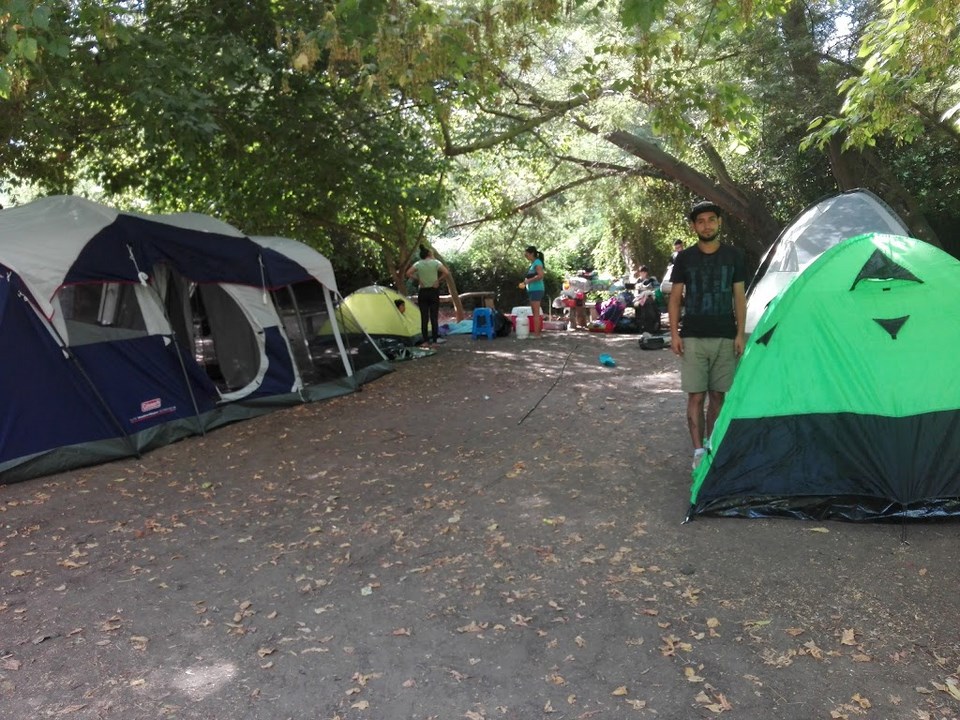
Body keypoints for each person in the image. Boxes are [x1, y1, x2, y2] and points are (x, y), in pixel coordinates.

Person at [668, 201, 747, 471]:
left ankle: (712, 446)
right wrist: (674, 333)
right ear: (693, 226)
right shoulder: (685, 258)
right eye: (700, 221)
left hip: (725, 335)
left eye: (711, 220)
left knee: (718, 397)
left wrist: (740, 333)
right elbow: (676, 298)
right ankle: (698, 451)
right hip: (692, 336)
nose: (706, 225)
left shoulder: (734, 256)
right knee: (696, 397)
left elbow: (739, 297)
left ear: (719, 222)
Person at [406, 246, 449, 348]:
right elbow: (446, 272)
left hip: (423, 292)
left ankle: (425, 341)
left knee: (424, 317)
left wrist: (418, 279)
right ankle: (434, 341)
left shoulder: (418, 264)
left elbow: (408, 273)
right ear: (429, 254)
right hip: (433, 291)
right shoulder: (436, 263)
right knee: (434, 317)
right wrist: (438, 280)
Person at [519, 246, 546, 337]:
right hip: (532, 290)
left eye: (526, 255)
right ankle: (536, 333)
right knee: (534, 312)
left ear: (532, 254)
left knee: (536, 312)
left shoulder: (537, 263)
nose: (525, 256)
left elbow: (540, 275)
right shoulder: (533, 264)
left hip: (537, 289)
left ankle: (537, 334)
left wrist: (528, 281)